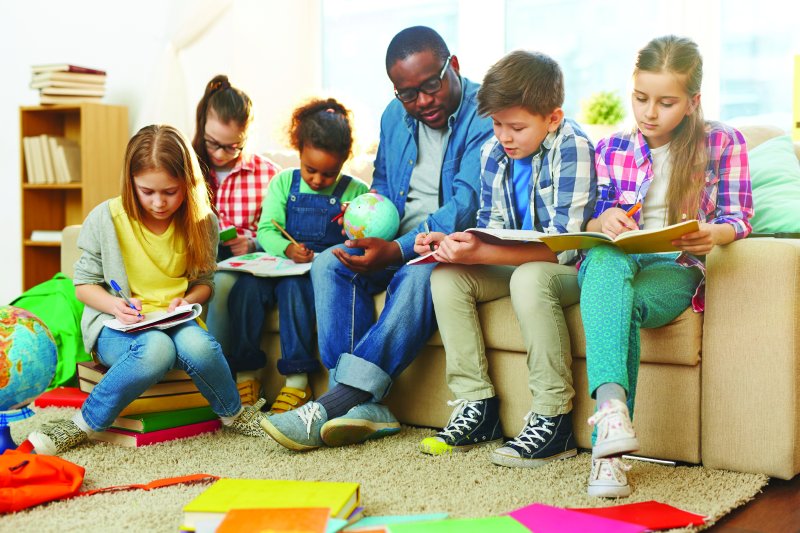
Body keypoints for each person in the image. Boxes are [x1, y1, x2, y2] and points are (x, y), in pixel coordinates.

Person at [261, 26, 494, 451]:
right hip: (398, 240)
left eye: (430, 85)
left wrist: (400, 250)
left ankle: (335, 403)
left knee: (420, 275)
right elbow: (385, 186)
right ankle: (361, 408)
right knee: (331, 261)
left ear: (453, 66)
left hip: (455, 244)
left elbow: (467, 204)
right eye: (408, 93)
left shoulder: (485, 112)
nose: (422, 102)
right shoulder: (394, 115)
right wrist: (366, 225)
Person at [579, 35, 753, 498]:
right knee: (602, 257)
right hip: (615, 260)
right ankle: (612, 426)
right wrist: (601, 219)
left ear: (693, 101)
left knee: (622, 303)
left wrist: (713, 234)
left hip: (675, 267)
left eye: (666, 102)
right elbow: (586, 218)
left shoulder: (723, 142)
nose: (649, 113)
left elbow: (740, 217)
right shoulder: (610, 146)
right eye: (640, 98)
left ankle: (607, 453)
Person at [27, 125, 267, 455]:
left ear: (188, 184)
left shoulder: (202, 222)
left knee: (202, 347)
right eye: (147, 191)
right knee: (156, 348)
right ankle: (81, 423)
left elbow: (204, 284)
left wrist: (188, 300)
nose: (158, 202)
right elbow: (83, 285)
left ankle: (234, 414)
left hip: (176, 320)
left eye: (170, 191)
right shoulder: (107, 217)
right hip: (118, 326)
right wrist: (114, 305)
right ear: (131, 183)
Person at [414, 50, 596, 467]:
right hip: (520, 262)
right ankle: (476, 407)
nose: (504, 136)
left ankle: (554, 420)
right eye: (496, 124)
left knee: (530, 278)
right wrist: (458, 243)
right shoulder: (494, 155)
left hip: (568, 269)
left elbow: (566, 244)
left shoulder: (573, 147)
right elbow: (491, 224)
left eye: (516, 127)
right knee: (447, 276)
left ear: (552, 118)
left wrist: (485, 251)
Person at [226, 98, 369, 414]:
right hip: (278, 266)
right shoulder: (282, 182)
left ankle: (297, 383)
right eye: (311, 170)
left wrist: (352, 226)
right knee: (243, 291)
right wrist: (287, 248)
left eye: (329, 174)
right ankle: (246, 376)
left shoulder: (356, 192)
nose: (318, 180)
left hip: (314, 277)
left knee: (295, 291)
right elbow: (266, 230)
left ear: (345, 161)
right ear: (298, 150)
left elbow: (364, 240)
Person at [194, 75, 280, 365]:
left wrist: (253, 242)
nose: (220, 154)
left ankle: (214, 374)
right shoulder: (187, 166)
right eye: (213, 143)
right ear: (202, 125)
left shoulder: (268, 175)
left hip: (239, 266)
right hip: (192, 259)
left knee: (220, 289)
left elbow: (280, 230)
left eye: (232, 147)